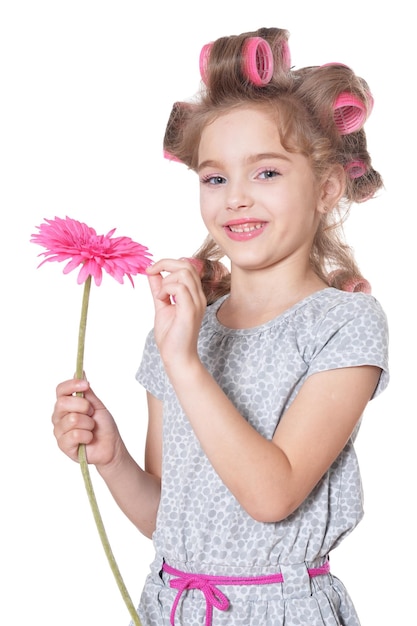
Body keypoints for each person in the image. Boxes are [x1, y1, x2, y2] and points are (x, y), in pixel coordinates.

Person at [52, 27, 389, 626]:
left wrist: (184, 364)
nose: (235, 197)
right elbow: (170, 517)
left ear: (327, 188)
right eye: (215, 178)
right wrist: (112, 459)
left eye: (266, 173)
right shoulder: (186, 327)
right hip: (174, 606)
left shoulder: (344, 323)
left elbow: (272, 494)